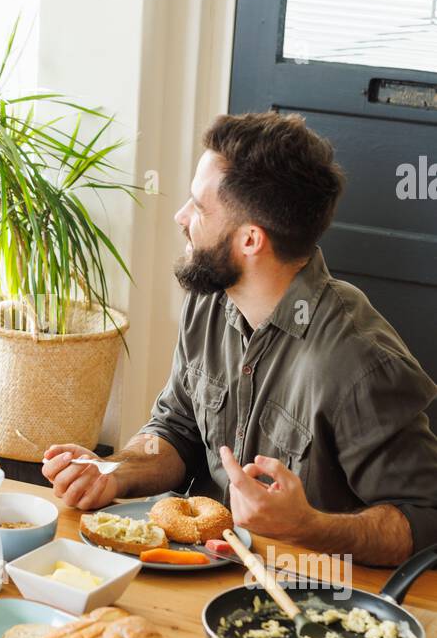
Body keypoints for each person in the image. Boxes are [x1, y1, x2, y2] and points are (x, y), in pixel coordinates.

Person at [43, 111, 437, 568]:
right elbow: (177, 429)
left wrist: (307, 525)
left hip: (310, 598)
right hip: (201, 571)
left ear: (251, 240)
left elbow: (426, 518)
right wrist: (113, 474)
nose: (181, 216)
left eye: (198, 206)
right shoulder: (210, 298)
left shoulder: (359, 360)